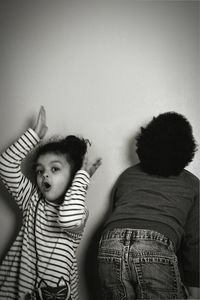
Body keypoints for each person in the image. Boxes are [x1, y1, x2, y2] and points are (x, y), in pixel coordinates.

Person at [0, 106, 101, 300]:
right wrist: (33, 136)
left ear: (73, 177)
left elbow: (66, 218)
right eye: (40, 170)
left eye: (55, 169)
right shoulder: (31, 199)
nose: (44, 174)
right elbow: (5, 165)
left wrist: (82, 176)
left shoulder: (78, 210)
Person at [98, 112, 199, 299]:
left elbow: (117, 215)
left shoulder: (127, 175)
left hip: (110, 243)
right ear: (186, 149)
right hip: (155, 244)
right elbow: (194, 241)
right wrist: (195, 287)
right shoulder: (192, 183)